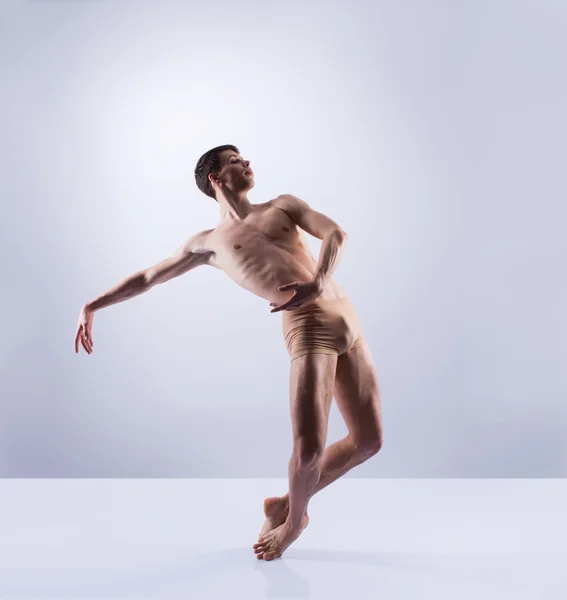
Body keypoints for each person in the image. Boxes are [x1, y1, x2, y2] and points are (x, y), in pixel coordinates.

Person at [74, 144, 383, 561]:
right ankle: (293, 522)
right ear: (216, 180)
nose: (247, 162)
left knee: (368, 441)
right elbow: (148, 277)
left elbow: (336, 234)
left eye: (245, 157)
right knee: (308, 449)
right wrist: (92, 305)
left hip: (346, 316)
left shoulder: (283, 206)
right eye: (235, 160)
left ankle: (283, 504)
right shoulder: (209, 243)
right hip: (308, 330)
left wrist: (320, 280)